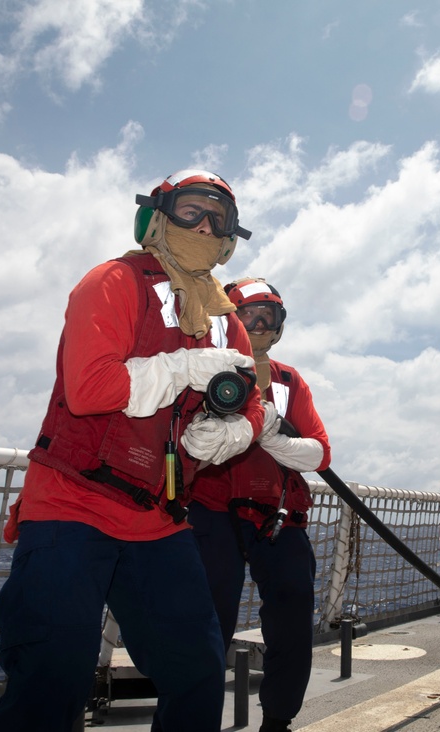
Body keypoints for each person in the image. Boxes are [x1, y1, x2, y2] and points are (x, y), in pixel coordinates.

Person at [0, 170, 267, 732]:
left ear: (233, 238)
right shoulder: (112, 282)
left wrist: (234, 433)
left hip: (158, 519)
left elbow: (251, 400)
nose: (205, 226)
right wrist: (179, 368)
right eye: (192, 211)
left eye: (220, 219)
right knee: (51, 680)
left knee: (199, 673)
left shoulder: (226, 324)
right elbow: (88, 389)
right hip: (72, 502)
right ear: (157, 215)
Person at [189, 277, 332, 732]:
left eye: (269, 317)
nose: (260, 325)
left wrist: (269, 432)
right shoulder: (201, 367)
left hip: (278, 517)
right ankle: (195, 720)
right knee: (209, 620)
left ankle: (278, 721)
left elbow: (321, 452)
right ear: (228, 315)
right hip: (212, 508)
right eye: (250, 314)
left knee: (292, 613)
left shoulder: (289, 381)